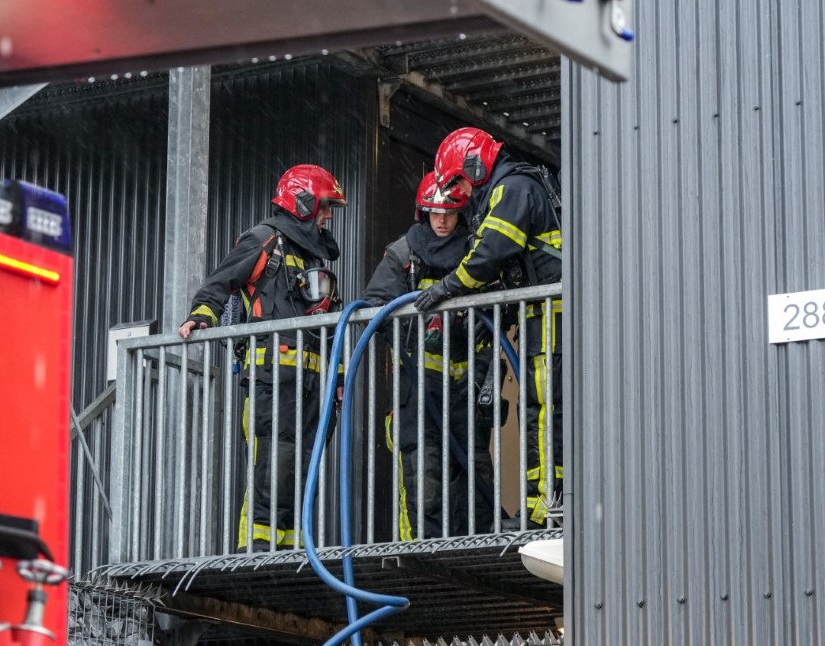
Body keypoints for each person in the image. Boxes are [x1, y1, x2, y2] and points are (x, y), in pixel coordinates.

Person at [178, 164, 347, 549]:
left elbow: (329, 326)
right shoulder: (264, 240)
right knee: (273, 467)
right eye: (324, 206)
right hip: (272, 380)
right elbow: (219, 284)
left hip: (312, 385)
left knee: (302, 469)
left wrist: (335, 381)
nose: (329, 215)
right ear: (302, 202)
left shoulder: (312, 258)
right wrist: (201, 318)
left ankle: (289, 552)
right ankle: (257, 551)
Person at [413, 127, 563, 528]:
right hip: (540, 313)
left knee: (548, 411)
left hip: (553, 315)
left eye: (460, 179)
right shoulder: (514, 185)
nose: (461, 190)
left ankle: (553, 509)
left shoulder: (511, 188)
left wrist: (448, 287)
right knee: (538, 410)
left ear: (474, 165)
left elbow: (490, 253)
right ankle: (542, 507)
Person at [362, 172, 498, 539]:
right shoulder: (403, 254)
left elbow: (501, 309)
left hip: (465, 389)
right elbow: (372, 310)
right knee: (424, 477)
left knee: (475, 475)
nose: (442, 220)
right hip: (416, 392)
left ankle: (477, 548)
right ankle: (423, 550)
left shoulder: (477, 255)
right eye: (435, 212)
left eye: (450, 212)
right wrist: (407, 331)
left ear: (462, 213)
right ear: (423, 212)